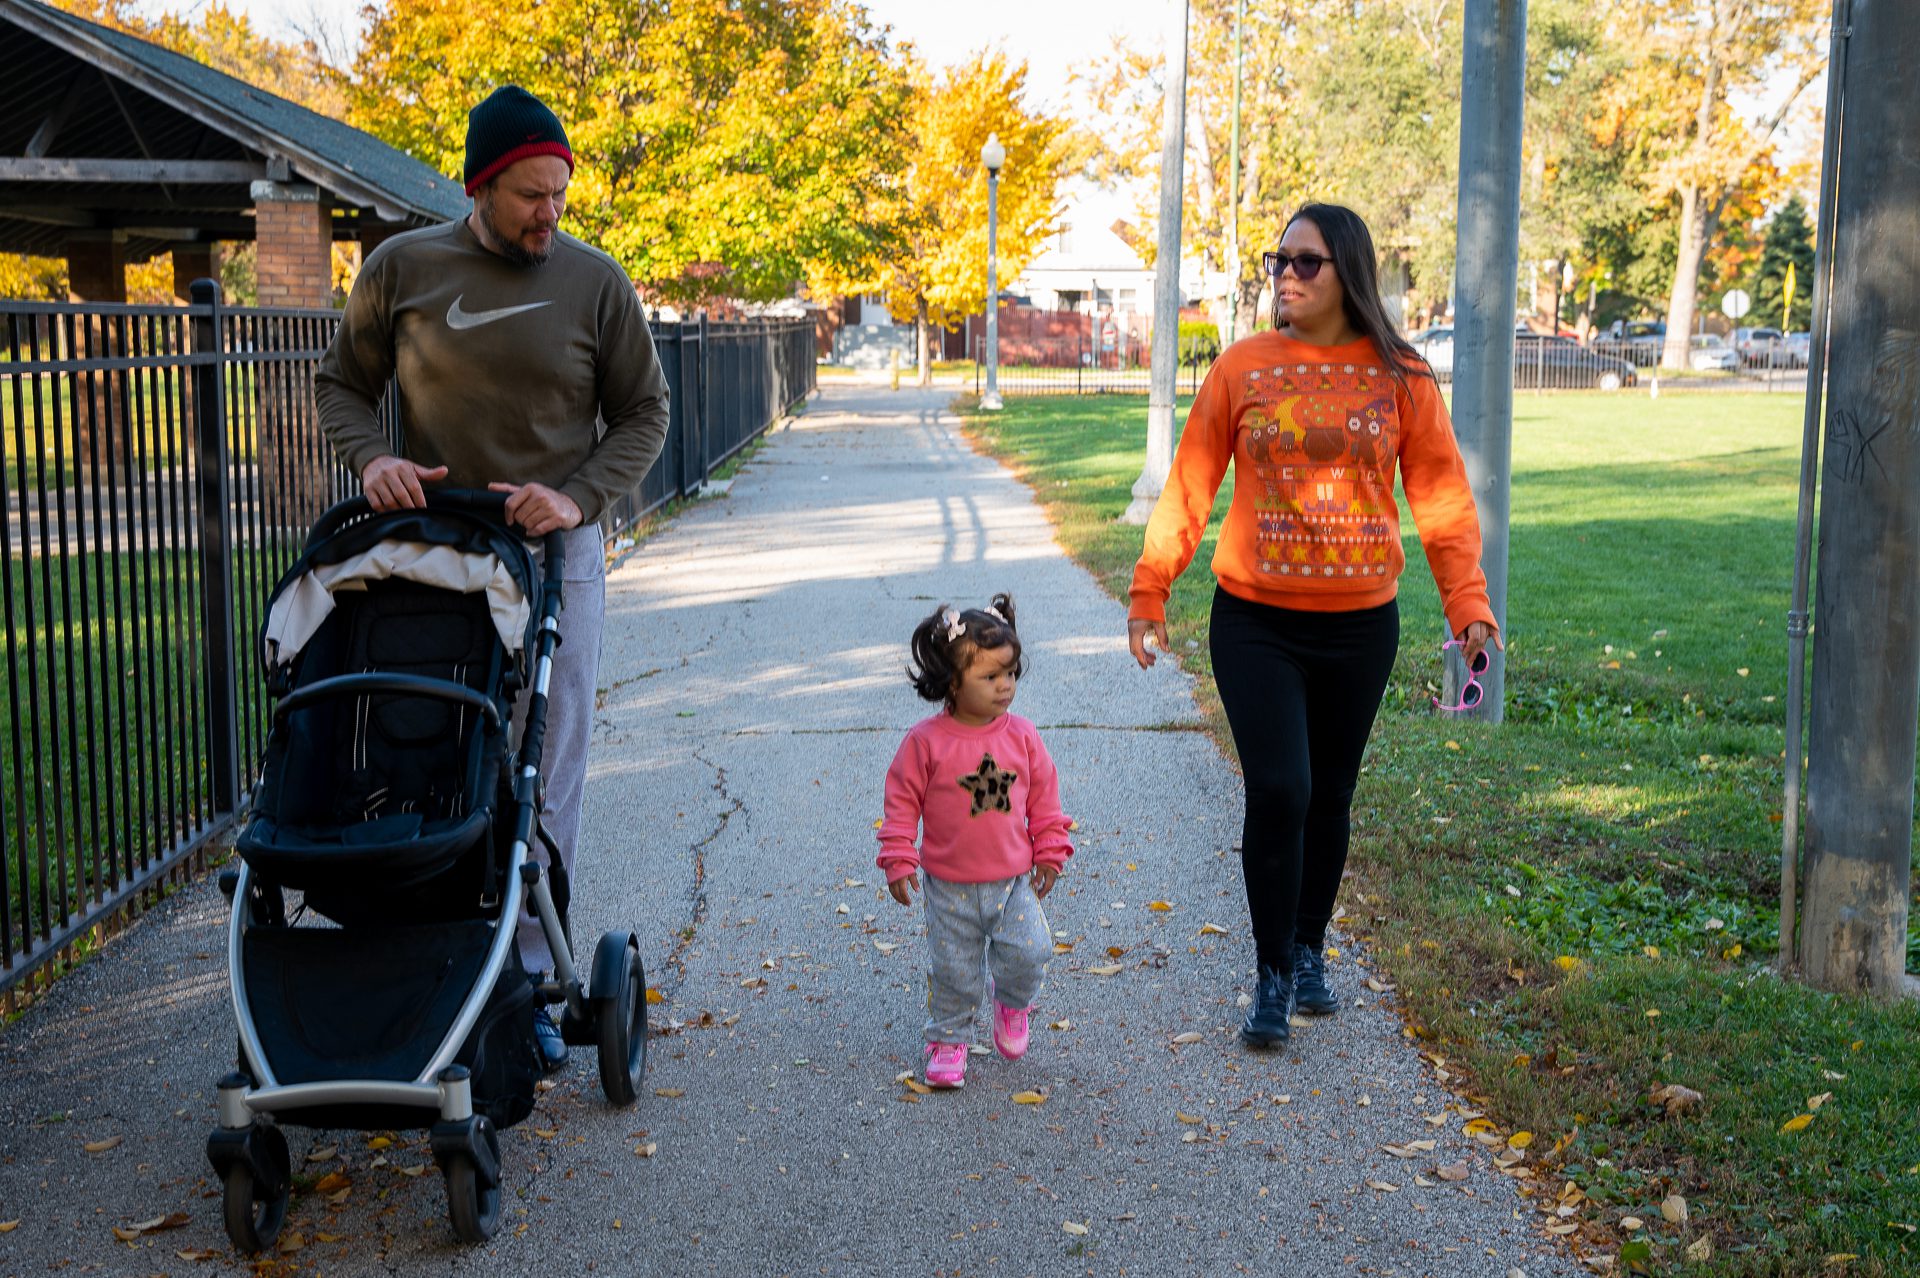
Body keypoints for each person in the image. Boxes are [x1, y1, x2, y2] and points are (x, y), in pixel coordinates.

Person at [315, 84, 671, 1071]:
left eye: (559, 193)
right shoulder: (405, 269)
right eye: (528, 195)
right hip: (436, 556)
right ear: (481, 187)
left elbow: (645, 411)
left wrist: (579, 497)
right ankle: (418, 955)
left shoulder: (596, 284)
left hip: (555, 558)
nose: (548, 213)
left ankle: (523, 978)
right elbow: (342, 385)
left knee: (544, 764)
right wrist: (370, 462)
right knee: (428, 747)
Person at [1125, 203, 1499, 1051]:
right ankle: (1269, 974)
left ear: (1349, 274)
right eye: (1278, 262)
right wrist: (1151, 590)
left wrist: (1467, 602)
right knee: (1282, 789)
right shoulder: (1243, 367)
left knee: (1330, 794)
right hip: (1255, 622)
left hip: (1360, 629)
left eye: (1306, 263)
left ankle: (1309, 948)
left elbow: (1440, 498)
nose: (1286, 277)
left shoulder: (1402, 376)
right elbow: (1189, 486)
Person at [878, 596, 1074, 1089]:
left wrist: (1050, 846)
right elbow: (901, 802)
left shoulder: (1023, 737)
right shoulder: (926, 743)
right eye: (990, 677)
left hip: (1012, 882)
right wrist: (899, 855)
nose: (1005, 685)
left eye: (1010, 673)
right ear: (951, 682)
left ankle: (1011, 1001)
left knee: (1032, 949)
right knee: (953, 971)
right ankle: (947, 1040)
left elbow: (1045, 798)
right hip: (949, 889)